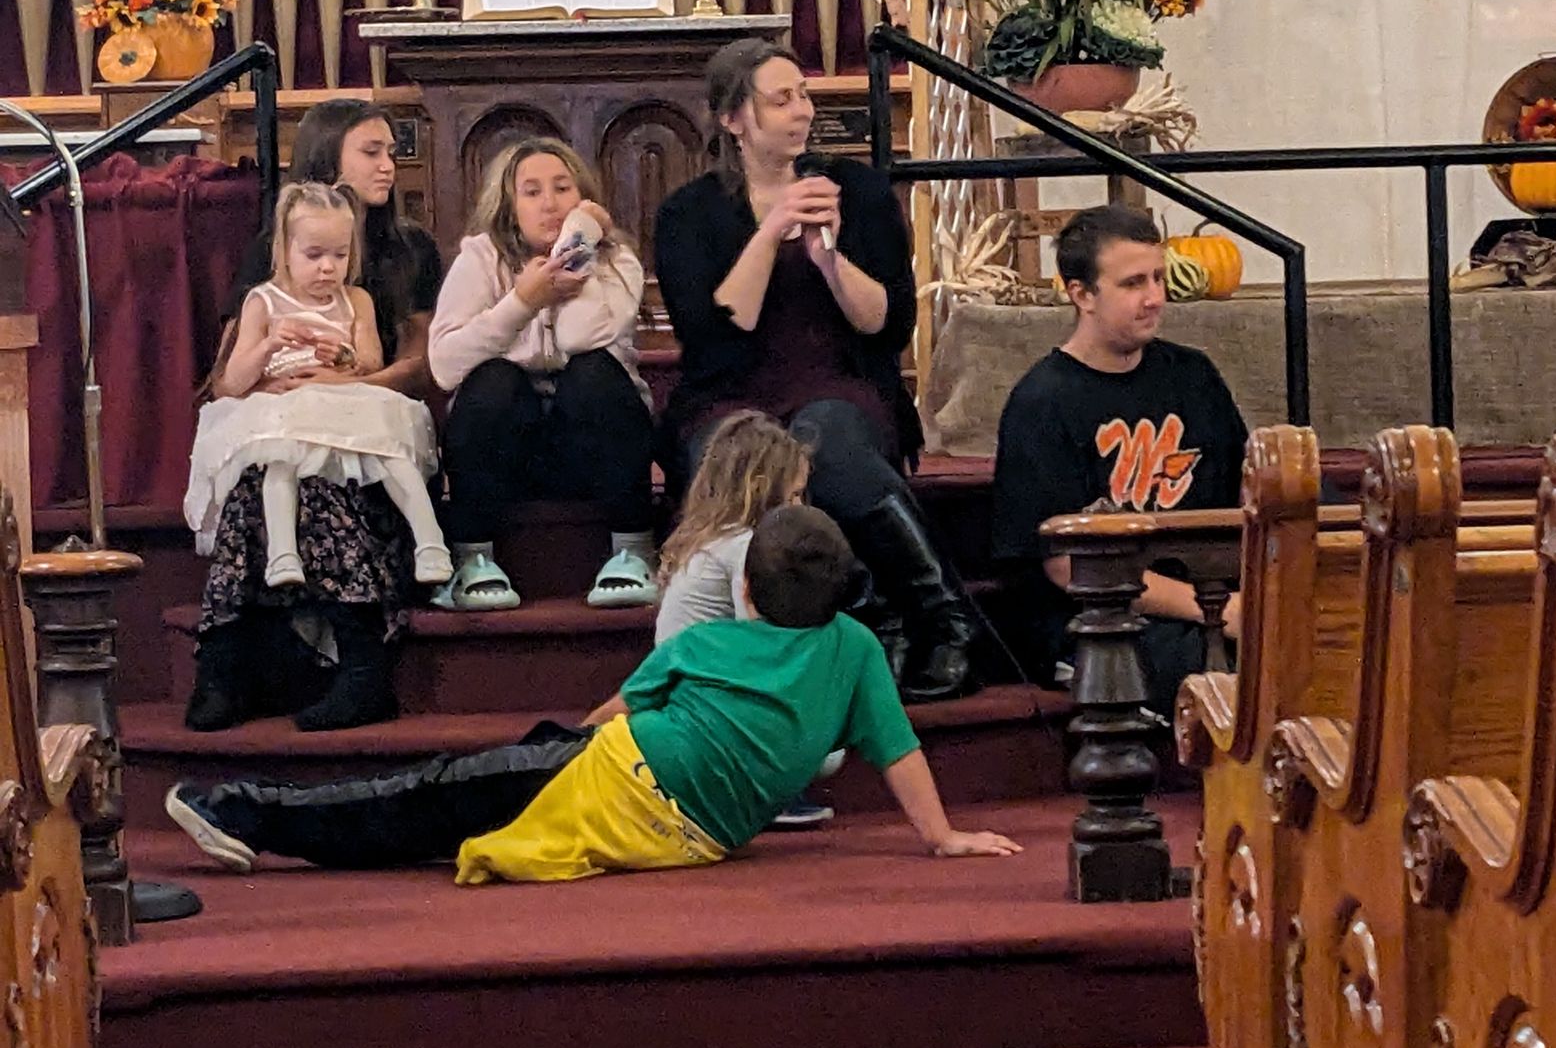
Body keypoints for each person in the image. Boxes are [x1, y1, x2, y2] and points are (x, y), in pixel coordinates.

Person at [163, 504, 1022, 880]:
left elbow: (615, 714)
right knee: (471, 788)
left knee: (423, 798)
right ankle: (261, 818)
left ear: (747, 593)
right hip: (699, 838)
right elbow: (900, 751)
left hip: (625, 776)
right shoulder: (859, 649)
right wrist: (942, 837)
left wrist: (560, 752)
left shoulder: (710, 639)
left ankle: (248, 814)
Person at [653, 39, 985, 702]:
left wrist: (828, 260)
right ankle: (857, 622)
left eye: (802, 95)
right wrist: (770, 229)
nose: (801, 110)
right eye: (781, 100)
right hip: (730, 393)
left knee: (825, 440)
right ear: (733, 119)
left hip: (840, 382)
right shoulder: (688, 213)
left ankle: (946, 619)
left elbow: (886, 325)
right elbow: (715, 337)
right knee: (739, 450)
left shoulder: (856, 191)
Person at [188, 100, 446, 734]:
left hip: (366, 437)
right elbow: (227, 379)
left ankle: (363, 668)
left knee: (325, 484)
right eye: (372, 151)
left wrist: (341, 384)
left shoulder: (410, 248)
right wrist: (281, 390)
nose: (390, 164)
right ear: (329, 158)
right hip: (280, 420)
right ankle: (224, 667)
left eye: (392, 150)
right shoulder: (270, 263)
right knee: (264, 475)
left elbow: (418, 363)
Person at [990, 205, 1248, 719]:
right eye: (1132, 283)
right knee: (1213, 669)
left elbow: (1248, 488)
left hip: (1211, 595)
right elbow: (1066, 566)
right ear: (1081, 293)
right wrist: (1212, 610)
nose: (1154, 297)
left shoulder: (1193, 375)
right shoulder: (1042, 403)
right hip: (1105, 613)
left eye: (1158, 277)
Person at [188, 182, 451, 595]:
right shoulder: (263, 301)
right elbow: (232, 383)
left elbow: (371, 361)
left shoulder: (355, 300)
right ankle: (282, 553)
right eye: (314, 255)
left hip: (342, 397)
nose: (328, 268)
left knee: (390, 451)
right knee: (279, 458)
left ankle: (431, 543)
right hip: (286, 403)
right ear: (285, 252)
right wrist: (270, 342)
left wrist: (343, 356)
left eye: (340, 255)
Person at [428, 137, 657, 612]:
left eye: (562, 189)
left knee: (593, 373)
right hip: (509, 452)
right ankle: (472, 560)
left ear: (584, 200)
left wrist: (577, 247)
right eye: (531, 192)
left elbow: (578, 339)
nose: (550, 203)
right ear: (510, 206)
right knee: (493, 381)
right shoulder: (480, 258)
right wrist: (523, 302)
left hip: (591, 449)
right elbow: (445, 365)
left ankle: (633, 552)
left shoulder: (618, 262)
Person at [652, 407, 843, 828]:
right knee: (825, 740)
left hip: (687, 702)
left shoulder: (713, 536)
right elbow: (760, 647)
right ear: (760, 491)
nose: (799, 508)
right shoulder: (745, 547)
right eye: (793, 497)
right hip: (708, 711)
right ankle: (764, 790)